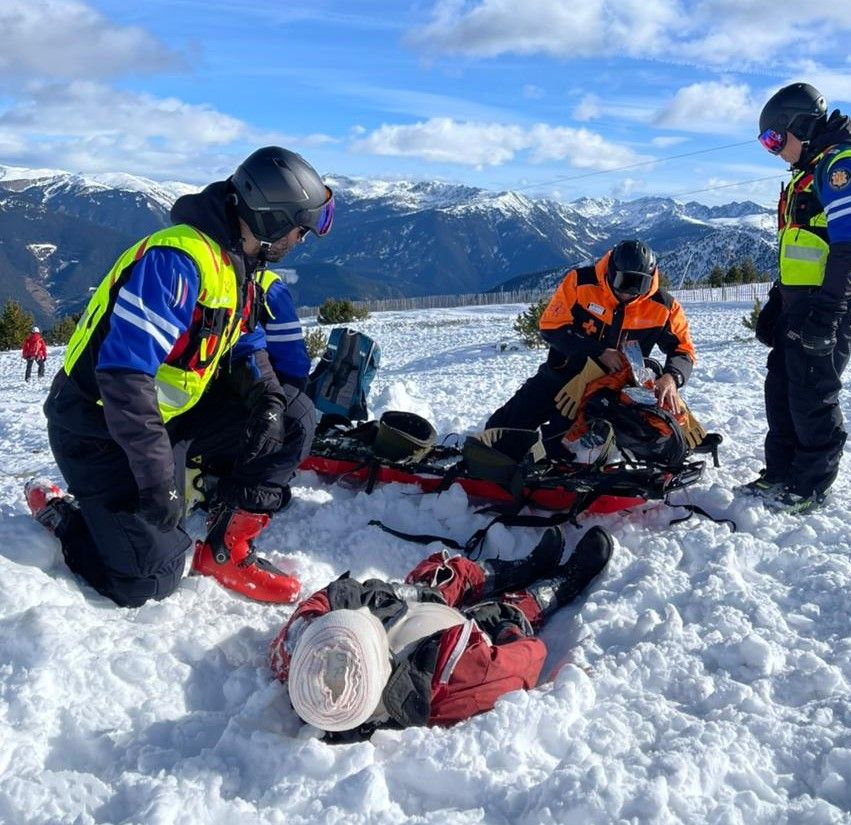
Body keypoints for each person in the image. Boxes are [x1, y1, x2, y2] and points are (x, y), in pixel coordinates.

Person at [26, 146, 334, 607]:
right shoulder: (177, 262)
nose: (301, 238)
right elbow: (124, 378)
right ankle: (64, 517)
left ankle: (227, 547)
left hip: (166, 418)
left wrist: (267, 399)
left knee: (293, 415)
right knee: (150, 579)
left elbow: (244, 339)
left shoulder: (238, 263)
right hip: (97, 428)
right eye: (299, 227)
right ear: (270, 221)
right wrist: (157, 479)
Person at [268, 525, 613, 739]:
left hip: (410, 611)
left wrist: (362, 598)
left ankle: (514, 570)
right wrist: (506, 629)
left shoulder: (308, 665)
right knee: (506, 611)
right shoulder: (452, 682)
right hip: (459, 639)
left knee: (439, 574)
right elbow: (523, 662)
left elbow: (314, 608)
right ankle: (555, 587)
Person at [740, 82, 851, 514]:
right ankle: (782, 471)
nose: (773, 151)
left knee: (812, 390)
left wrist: (827, 315)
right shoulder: (810, 170)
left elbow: (850, 247)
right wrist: (776, 302)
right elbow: (800, 247)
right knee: (781, 383)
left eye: (774, 139)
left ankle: (812, 483)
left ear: (798, 125)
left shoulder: (846, 165)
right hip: (800, 300)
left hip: (833, 301)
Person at [486, 239, 696, 456]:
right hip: (562, 376)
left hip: (613, 390)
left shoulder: (664, 307)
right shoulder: (580, 283)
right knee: (499, 431)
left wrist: (672, 377)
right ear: (612, 270)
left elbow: (684, 349)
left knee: (560, 450)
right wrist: (598, 352)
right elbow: (550, 327)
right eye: (623, 282)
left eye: (638, 285)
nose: (629, 292)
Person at [186, 268, 315, 514]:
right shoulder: (268, 288)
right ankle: (245, 492)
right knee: (296, 416)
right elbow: (294, 364)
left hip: (182, 411)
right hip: (236, 410)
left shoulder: (201, 275)